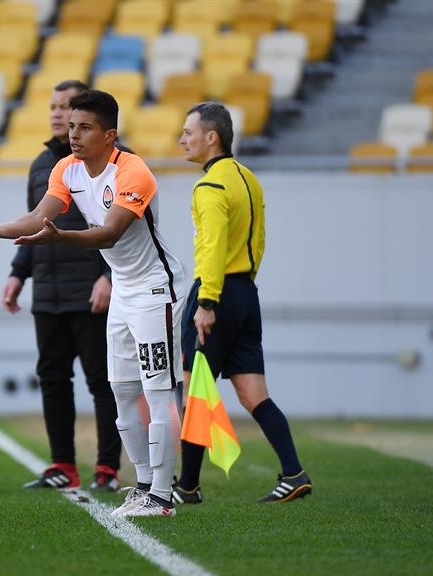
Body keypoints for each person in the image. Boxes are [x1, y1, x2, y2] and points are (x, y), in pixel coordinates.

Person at [0, 90, 187, 518]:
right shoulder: (66, 168)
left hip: (155, 289)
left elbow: (110, 233)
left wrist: (60, 236)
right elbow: (38, 217)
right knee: (122, 390)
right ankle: (143, 486)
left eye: (84, 127)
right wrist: (0, 229)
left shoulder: (133, 171)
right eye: (71, 126)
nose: (73, 135)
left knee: (157, 390)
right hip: (123, 290)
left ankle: (162, 496)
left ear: (110, 135)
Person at [172, 102, 312, 505]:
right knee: (254, 394)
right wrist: (239, 289)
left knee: (195, 389)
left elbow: (212, 248)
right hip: (246, 294)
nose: (182, 140)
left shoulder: (210, 186)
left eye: (188, 132)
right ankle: (294, 472)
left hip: (215, 295)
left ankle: (187, 487)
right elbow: (259, 240)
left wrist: (207, 302)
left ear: (211, 137)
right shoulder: (249, 179)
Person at [3, 80, 122, 492]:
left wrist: (108, 277)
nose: (58, 115)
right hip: (48, 292)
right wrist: (18, 273)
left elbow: (124, 229)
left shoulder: (114, 164)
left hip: (90, 290)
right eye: (53, 107)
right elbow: (34, 222)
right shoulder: (42, 165)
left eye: (66, 108)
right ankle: (62, 466)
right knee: (52, 379)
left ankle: (108, 468)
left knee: (102, 381)